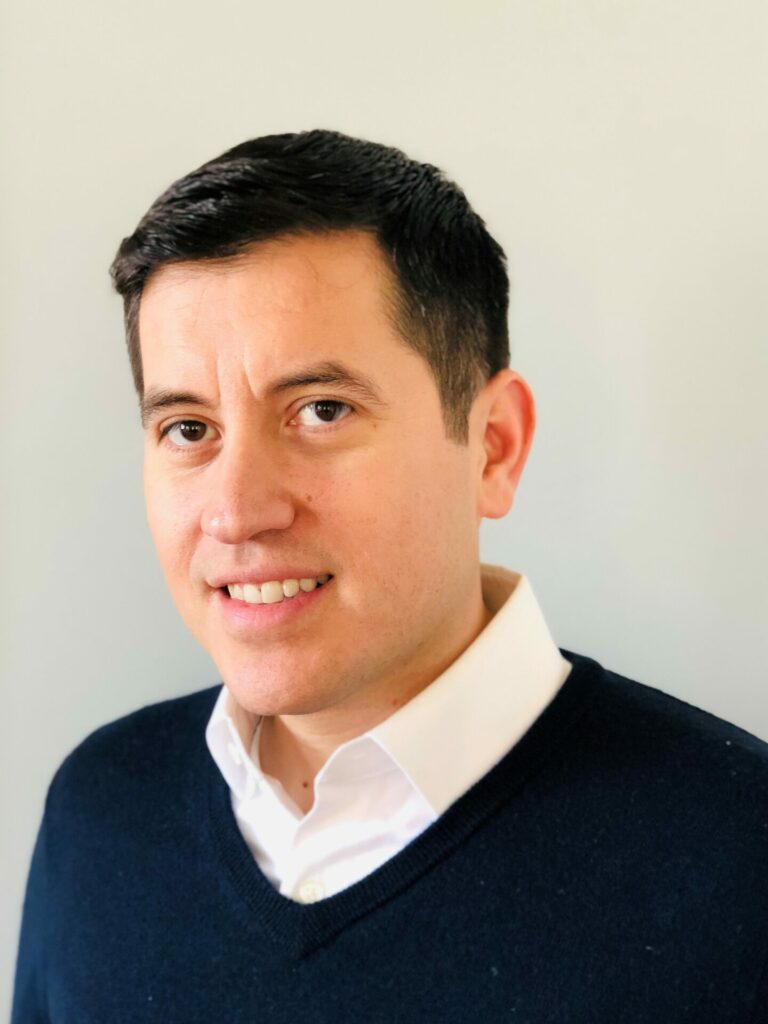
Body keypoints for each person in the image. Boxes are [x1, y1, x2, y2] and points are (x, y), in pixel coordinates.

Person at [12, 129, 768, 1023]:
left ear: (492, 446)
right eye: (188, 428)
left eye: (321, 411)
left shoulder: (739, 862)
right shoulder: (103, 810)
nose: (236, 510)